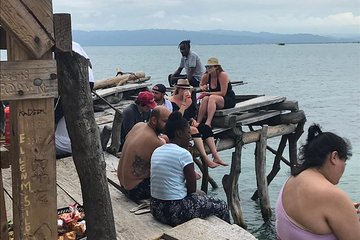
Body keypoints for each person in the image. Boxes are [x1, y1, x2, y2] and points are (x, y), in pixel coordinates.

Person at [275, 124, 360, 240]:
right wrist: (345, 210)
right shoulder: (332, 196)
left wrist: (345, 213)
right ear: (334, 157)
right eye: (344, 162)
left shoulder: (291, 181)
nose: (343, 170)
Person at [150, 111, 230, 226]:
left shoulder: (157, 150)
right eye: (188, 133)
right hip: (174, 211)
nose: (190, 136)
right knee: (221, 205)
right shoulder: (183, 154)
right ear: (179, 133)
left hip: (156, 208)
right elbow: (192, 189)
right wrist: (191, 177)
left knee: (201, 194)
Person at [169, 79, 227, 167]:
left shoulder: (190, 99)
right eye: (183, 90)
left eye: (187, 89)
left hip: (189, 122)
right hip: (178, 125)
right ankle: (205, 159)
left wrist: (193, 120)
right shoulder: (171, 101)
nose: (186, 92)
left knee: (205, 128)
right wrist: (184, 104)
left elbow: (191, 114)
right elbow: (177, 117)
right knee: (194, 130)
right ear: (178, 90)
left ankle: (215, 155)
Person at [117, 106, 171, 201]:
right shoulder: (156, 142)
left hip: (123, 182)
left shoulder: (139, 125)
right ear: (154, 120)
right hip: (135, 189)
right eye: (165, 121)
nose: (168, 125)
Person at [55, 41, 95, 158]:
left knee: (56, 113)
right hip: (88, 77)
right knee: (77, 110)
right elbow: (89, 63)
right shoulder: (75, 44)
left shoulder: (52, 46)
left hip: (73, 79)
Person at [197, 57, 236, 128]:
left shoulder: (222, 75)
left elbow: (223, 93)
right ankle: (198, 122)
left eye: (210, 67)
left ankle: (208, 122)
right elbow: (201, 84)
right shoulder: (206, 76)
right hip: (215, 99)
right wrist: (202, 87)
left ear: (216, 67)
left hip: (227, 98)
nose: (208, 69)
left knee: (211, 97)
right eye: (207, 67)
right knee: (205, 98)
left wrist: (208, 93)